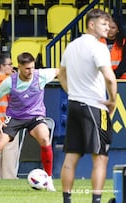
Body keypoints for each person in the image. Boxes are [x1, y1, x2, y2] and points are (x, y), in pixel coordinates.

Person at [0, 52, 59, 192]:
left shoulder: (41, 75)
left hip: (34, 116)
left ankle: (49, 180)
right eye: (27, 68)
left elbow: (59, 71)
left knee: (44, 138)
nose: (30, 71)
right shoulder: (9, 81)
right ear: (19, 67)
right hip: (14, 118)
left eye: (32, 67)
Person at [58, 9, 117, 203]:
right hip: (95, 106)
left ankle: (67, 200)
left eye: (108, 25)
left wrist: (71, 92)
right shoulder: (98, 47)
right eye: (103, 24)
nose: (107, 28)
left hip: (74, 104)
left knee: (71, 155)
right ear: (91, 24)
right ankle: (96, 200)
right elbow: (110, 77)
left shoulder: (71, 46)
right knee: (100, 156)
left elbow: (61, 74)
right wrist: (112, 101)